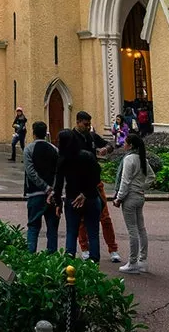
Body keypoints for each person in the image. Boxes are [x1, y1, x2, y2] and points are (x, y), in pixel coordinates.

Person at [55, 111, 108, 262]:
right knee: (93, 233)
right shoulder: (87, 156)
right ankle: (93, 266)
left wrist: (58, 202)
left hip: (73, 199)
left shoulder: (62, 160)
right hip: (90, 197)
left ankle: (68, 265)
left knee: (72, 233)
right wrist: (85, 193)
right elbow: (96, 175)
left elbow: (59, 183)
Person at [113, 131, 154, 274]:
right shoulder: (143, 159)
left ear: (130, 146)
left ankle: (132, 262)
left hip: (130, 197)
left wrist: (118, 198)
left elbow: (125, 181)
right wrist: (141, 187)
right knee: (141, 228)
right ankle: (142, 260)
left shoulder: (128, 160)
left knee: (132, 230)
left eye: (125, 143)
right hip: (139, 196)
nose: (124, 145)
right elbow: (151, 177)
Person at [24, 121, 60, 253]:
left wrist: (45, 188)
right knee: (52, 229)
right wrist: (52, 189)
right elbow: (58, 172)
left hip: (35, 194)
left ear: (33, 133)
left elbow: (30, 172)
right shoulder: (55, 150)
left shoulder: (29, 149)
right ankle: (52, 260)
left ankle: (30, 259)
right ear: (46, 133)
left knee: (33, 227)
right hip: (52, 196)